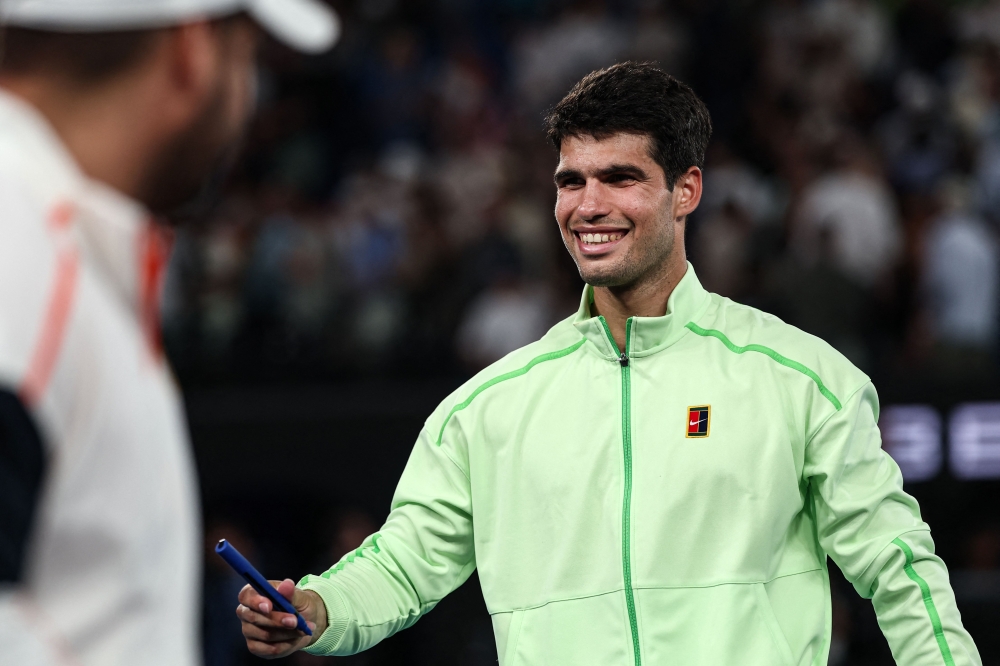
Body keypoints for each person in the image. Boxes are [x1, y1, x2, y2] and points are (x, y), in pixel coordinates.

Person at [238, 63, 980, 665]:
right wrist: (318, 605)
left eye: (620, 177)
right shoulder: (487, 409)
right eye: (571, 180)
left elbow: (900, 571)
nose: (587, 204)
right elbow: (403, 562)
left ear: (685, 190)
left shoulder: (799, 379)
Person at [0, 1, 337, 665]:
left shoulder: (48, 241)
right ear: (194, 51)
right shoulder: (21, 249)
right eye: (248, 59)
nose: (249, 100)